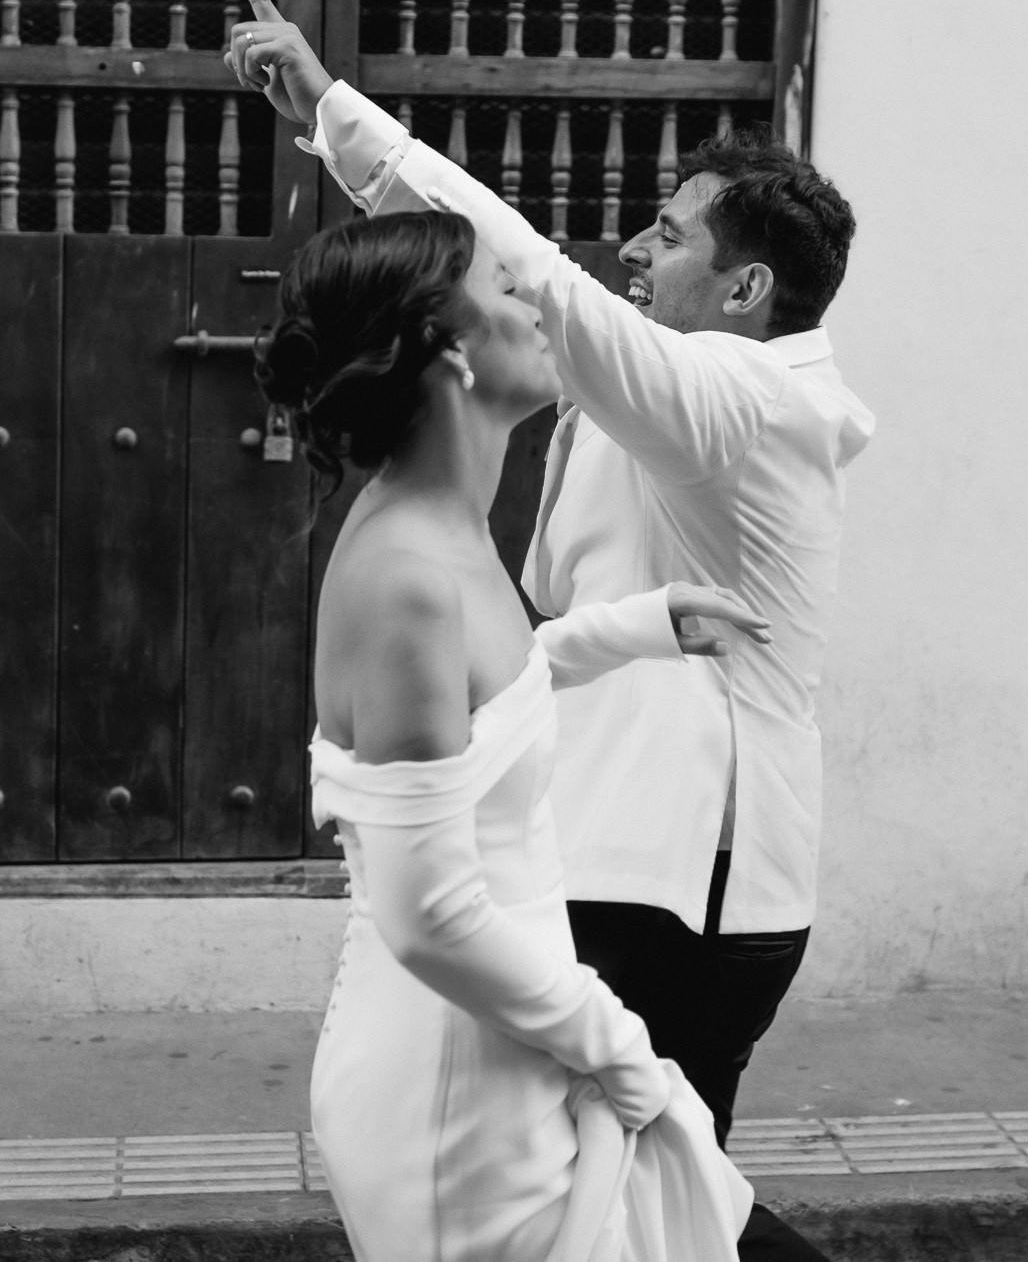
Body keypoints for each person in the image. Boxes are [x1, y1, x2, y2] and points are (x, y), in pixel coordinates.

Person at [258, 201, 793, 1261]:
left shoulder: (443, 525)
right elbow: (429, 913)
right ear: (448, 350)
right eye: (509, 289)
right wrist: (620, 1048)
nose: (543, 302)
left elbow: (486, 697)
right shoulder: (407, 574)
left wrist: (638, 626)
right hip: (458, 1111)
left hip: (514, 1052)